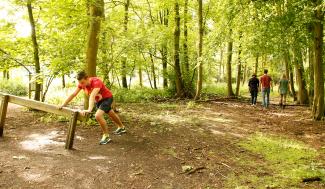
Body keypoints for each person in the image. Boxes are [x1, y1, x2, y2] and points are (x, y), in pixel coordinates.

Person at [59, 71, 126, 145]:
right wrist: (63, 104)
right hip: (99, 101)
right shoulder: (81, 84)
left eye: (83, 82)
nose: (81, 85)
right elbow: (73, 94)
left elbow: (92, 96)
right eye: (80, 83)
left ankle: (106, 136)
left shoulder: (96, 82)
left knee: (98, 116)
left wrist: (89, 109)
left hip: (107, 98)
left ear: (87, 78)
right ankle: (121, 127)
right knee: (111, 113)